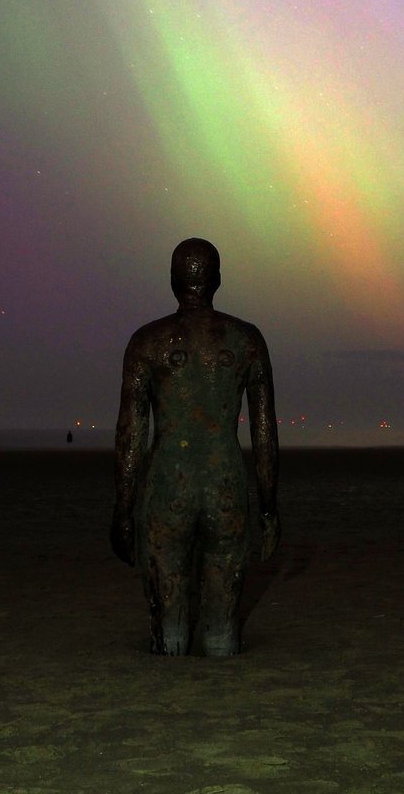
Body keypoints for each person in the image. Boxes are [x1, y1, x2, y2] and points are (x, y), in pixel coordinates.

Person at [110, 238, 280, 656]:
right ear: (217, 280)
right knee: (223, 625)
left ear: (173, 281)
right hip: (225, 483)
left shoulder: (147, 342)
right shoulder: (246, 340)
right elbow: (264, 433)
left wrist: (124, 507)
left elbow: (131, 433)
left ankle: (170, 677)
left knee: (168, 620)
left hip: (169, 485)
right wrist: (268, 504)